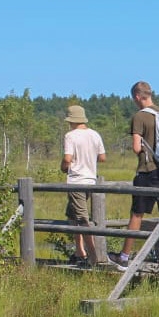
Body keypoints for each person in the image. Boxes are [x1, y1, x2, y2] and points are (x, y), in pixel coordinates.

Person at [109, 81, 159, 270]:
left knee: (137, 214)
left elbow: (137, 147)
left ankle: (124, 257)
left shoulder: (140, 116)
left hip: (148, 170)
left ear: (137, 96)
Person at [61, 104, 106, 267]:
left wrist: (65, 166)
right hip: (90, 180)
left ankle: (93, 257)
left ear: (71, 120)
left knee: (82, 218)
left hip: (76, 181)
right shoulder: (95, 135)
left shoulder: (70, 136)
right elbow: (102, 157)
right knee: (72, 215)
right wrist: (88, 158)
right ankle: (80, 251)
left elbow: (67, 158)